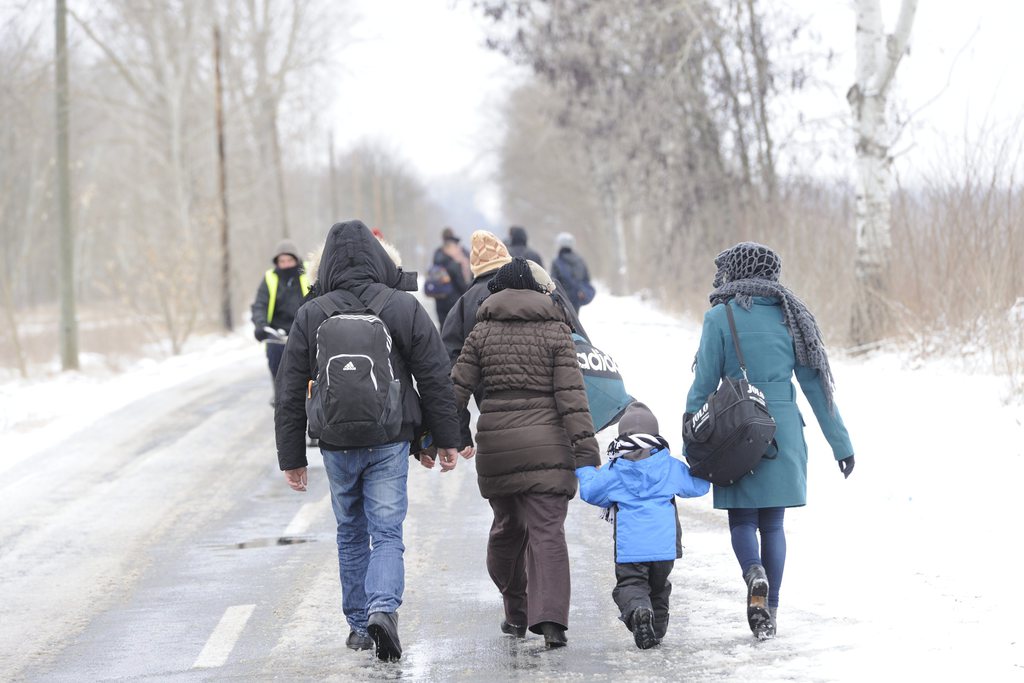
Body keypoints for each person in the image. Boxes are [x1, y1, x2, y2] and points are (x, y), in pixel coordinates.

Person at [274, 220, 464, 662]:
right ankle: (383, 609)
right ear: (380, 258)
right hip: (389, 438)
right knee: (387, 532)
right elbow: (434, 375)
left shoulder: (311, 312)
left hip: (336, 443)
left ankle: (360, 626)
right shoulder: (401, 306)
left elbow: (288, 390)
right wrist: (445, 438)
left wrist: (292, 457)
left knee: (351, 532)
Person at [683, 241, 855, 640]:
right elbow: (817, 387)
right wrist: (841, 444)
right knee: (773, 525)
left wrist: (691, 430)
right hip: (780, 430)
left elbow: (704, 383)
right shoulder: (791, 317)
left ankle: (752, 573)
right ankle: (770, 610)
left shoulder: (719, 316)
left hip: (734, 427)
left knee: (742, 519)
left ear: (734, 273)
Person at [450, 257, 600, 648]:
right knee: (547, 531)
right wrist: (585, 451)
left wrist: (448, 435)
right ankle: (550, 620)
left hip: (497, 447)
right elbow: (572, 398)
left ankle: (516, 611)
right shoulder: (556, 331)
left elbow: (456, 391)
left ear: (496, 291)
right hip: (549, 442)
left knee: (507, 528)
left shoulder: (480, 333)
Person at [576, 402, 709, 649]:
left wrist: (584, 468)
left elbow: (591, 492)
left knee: (631, 587)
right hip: (664, 548)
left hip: (631, 549)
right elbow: (699, 487)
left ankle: (639, 612)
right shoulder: (669, 465)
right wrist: (700, 462)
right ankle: (655, 633)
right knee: (659, 589)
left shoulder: (615, 470)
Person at [441, 232, 589, 448]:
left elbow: (451, 374)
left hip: (495, 424)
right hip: (551, 423)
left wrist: (460, 433)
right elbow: (580, 345)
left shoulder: (463, 305)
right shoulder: (542, 286)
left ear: (475, 267)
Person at [250, 239, 310, 401]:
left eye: (290, 260)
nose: (286, 264)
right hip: (278, 335)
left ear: (297, 260)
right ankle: (280, 398)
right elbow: (260, 304)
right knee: (276, 362)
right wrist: (260, 325)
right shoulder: (270, 278)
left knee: (309, 369)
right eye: (282, 261)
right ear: (277, 263)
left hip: (303, 331)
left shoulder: (308, 274)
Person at [429, 227, 471, 328]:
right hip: (454, 299)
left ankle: (442, 343)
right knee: (454, 327)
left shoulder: (437, 253)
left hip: (440, 296)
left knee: (443, 326)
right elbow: (461, 282)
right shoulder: (457, 259)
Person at [550, 232, 594, 313]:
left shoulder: (557, 262)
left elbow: (553, 282)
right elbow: (586, 279)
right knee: (575, 319)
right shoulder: (580, 260)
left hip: (562, 298)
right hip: (577, 297)